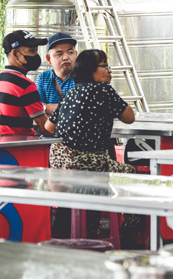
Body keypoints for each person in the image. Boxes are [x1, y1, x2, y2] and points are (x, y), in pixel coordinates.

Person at [43, 49, 136, 238]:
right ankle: (132, 228)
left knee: (100, 175)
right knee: (131, 175)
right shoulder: (104, 90)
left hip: (60, 164)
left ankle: (81, 231)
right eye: (105, 66)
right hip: (86, 163)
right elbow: (129, 117)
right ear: (91, 70)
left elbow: (48, 127)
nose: (109, 71)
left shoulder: (71, 92)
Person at [0, 30, 53, 136]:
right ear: (15, 54)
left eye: (36, 50)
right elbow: (46, 129)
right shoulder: (24, 85)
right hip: (18, 149)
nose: (36, 55)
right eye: (31, 51)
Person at [34, 32, 78, 115]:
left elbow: (82, 110)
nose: (66, 57)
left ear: (76, 54)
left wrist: (49, 108)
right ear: (48, 58)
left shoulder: (85, 77)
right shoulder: (43, 78)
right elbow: (38, 109)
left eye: (70, 52)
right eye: (59, 54)